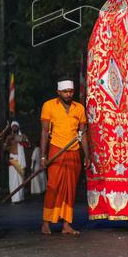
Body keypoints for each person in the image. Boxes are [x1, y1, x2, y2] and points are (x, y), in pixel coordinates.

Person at [40, 79, 90, 236]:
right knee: (53, 187)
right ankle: (46, 222)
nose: (68, 94)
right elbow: (44, 132)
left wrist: (87, 155)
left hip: (73, 152)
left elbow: (83, 135)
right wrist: (42, 156)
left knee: (70, 189)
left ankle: (66, 224)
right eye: (65, 92)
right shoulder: (48, 106)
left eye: (70, 91)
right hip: (56, 151)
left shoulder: (79, 108)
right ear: (58, 92)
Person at [5, 121, 30, 204]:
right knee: (13, 180)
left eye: (16, 126)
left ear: (18, 127)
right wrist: (8, 143)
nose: (14, 128)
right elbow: (4, 148)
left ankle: (20, 198)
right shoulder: (9, 137)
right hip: (13, 159)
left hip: (20, 160)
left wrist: (21, 140)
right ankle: (14, 199)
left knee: (20, 180)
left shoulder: (23, 136)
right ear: (11, 128)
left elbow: (28, 145)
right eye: (13, 126)